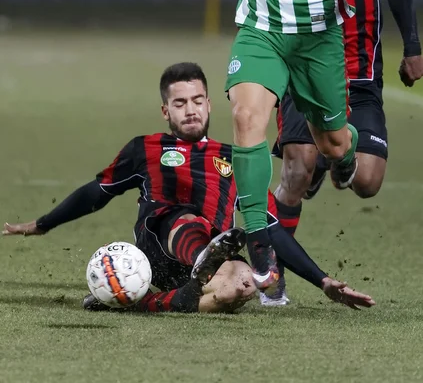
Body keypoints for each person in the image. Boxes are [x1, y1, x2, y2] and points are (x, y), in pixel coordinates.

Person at [192, 0, 416, 292]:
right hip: (261, 29)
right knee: (246, 118)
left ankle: (342, 156)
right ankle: (258, 244)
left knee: (335, 144)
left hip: (317, 40)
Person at [3, 62, 375, 312]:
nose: (191, 109)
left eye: (197, 100)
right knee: (186, 219)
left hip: (211, 255)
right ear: (166, 111)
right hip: (161, 251)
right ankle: (198, 263)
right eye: (179, 103)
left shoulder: (236, 157)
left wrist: (322, 280)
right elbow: (97, 193)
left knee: (242, 286)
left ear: (210, 104)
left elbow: (270, 227)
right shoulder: (144, 148)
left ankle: (156, 301)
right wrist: (42, 223)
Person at [261, 0, 423, 307]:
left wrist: (412, 47)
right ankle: (275, 275)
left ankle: (340, 157)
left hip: (359, 77)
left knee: (367, 181)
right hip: (304, 71)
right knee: (295, 170)